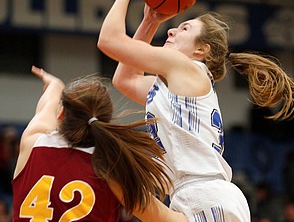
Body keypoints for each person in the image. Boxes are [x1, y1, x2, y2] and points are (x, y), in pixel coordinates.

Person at [97, 0, 294, 220]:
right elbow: (125, 80)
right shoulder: (176, 82)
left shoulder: (185, 67)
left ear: (201, 50)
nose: (171, 30)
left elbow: (109, 41)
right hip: (194, 194)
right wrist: (150, 20)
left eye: (184, 29)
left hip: (205, 193)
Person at [12, 66, 188, 222]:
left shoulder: (33, 142)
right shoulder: (112, 169)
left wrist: (55, 86)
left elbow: (47, 105)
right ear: (104, 122)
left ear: (61, 113)